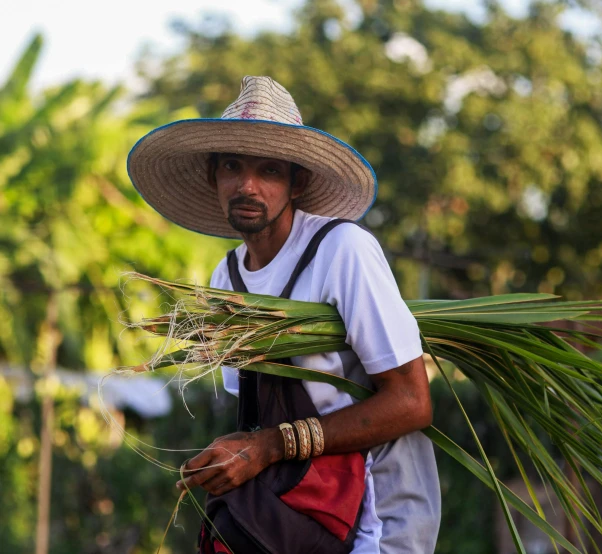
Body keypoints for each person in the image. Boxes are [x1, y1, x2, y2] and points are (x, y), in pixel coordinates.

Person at [128, 76, 441, 553]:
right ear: (212, 175)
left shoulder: (341, 250)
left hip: (379, 517)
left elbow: (412, 402)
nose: (247, 186)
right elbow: (257, 419)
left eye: (269, 170)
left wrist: (271, 446)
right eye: (232, 165)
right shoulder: (226, 278)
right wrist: (228, 455)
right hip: (299, 517)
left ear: (297, 182)